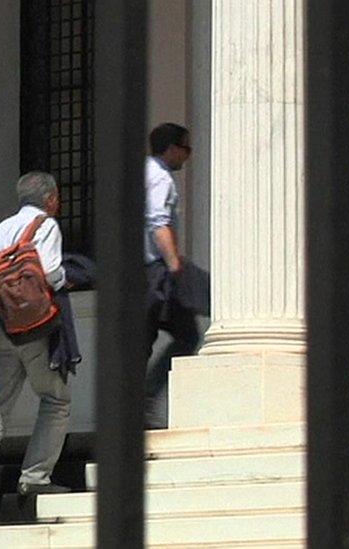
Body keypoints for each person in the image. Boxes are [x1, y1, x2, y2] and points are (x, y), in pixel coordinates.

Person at [0, 171, 72, 499]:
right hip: (32, 328)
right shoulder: (46, 226)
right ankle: (35, 477)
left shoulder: (0, 229)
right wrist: (67, 278)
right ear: (50, 199)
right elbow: (50, 272)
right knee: (56, 399)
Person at [143, 123, 208, 429]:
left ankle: (136, 405)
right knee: (188, 335)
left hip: (143, 272)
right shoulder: (159, 178)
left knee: (143, 340)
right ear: (171, 148)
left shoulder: (145, 173)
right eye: (186, 148)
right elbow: (158, 222)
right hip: (156, 270)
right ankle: (144, 401)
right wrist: (174, 265)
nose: (188, 156)